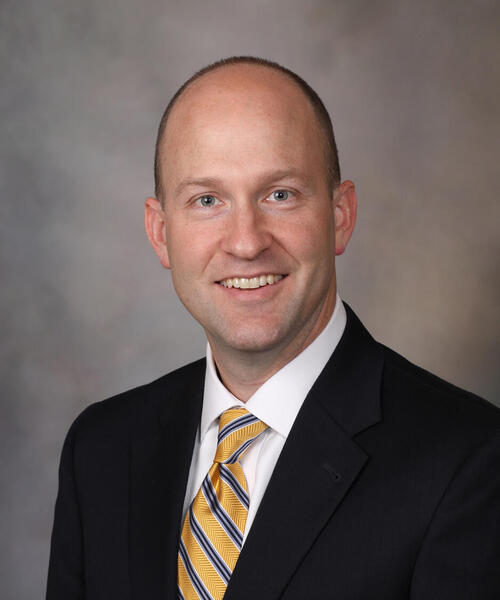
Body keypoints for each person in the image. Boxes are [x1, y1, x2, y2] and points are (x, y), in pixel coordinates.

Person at [46, 56, 500, 600]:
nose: (246, 242)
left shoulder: (469, 463)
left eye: (279, 194)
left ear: (340, 215)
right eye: (207, 200)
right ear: (161, 232)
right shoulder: (101, 451)